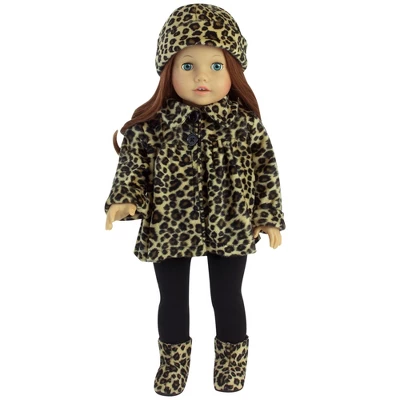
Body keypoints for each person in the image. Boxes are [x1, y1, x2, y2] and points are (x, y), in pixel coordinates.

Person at [105, 3, 285, 396]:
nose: (202, 76)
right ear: (168, 71)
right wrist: (125, 200)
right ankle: (173, 369)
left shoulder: (245, 125)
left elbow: (266, 171)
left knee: (227, 296)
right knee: (172, 298)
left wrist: (268, 215)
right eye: (188, 65)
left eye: (216, 66)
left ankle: (231, 368)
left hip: (231, 222)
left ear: (233, 71)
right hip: (170, 223)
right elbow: (133, 167)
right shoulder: (153, 126)